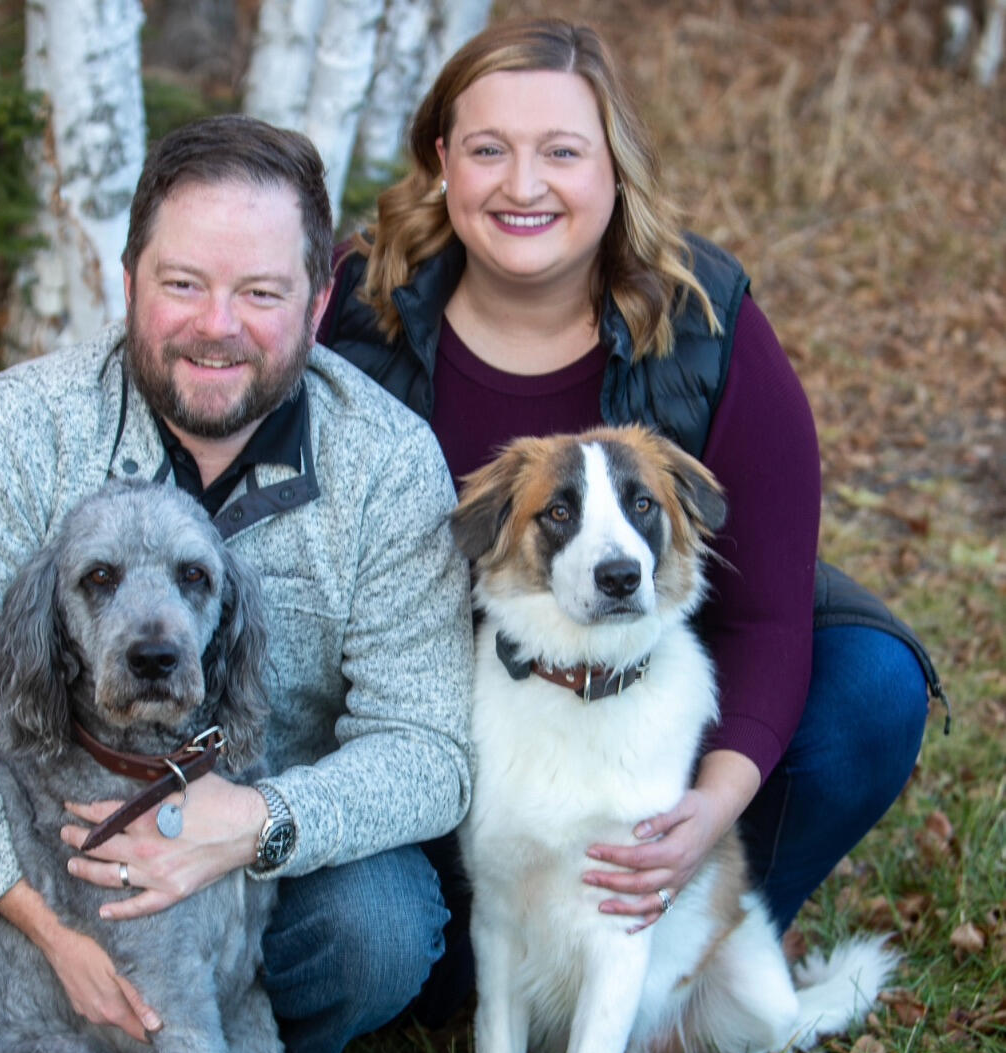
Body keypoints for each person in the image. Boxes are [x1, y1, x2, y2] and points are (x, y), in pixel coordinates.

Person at [0, 115, 473, 1053]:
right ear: (127, 277)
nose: (216, 324)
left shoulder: (384, 464)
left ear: (318, 300)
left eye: (260, 292)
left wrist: (255, 821)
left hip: (242, 880)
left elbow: (431, 750)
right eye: (183, 284)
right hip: (32, 852)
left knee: (380, 925)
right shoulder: (31, 424)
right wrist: (32, 911)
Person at [320, 17, 943, 985]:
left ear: (614, 166)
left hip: (633, 694)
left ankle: (677, 958)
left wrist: (708, 812)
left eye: (562, 152)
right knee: (393, 938)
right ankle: (463, 972)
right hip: (428, 719)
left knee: (869, 690)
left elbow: (770, 613)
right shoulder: (361, 309)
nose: (524, 186)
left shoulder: (702, 320)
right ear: (443, 162)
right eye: (490, 150)